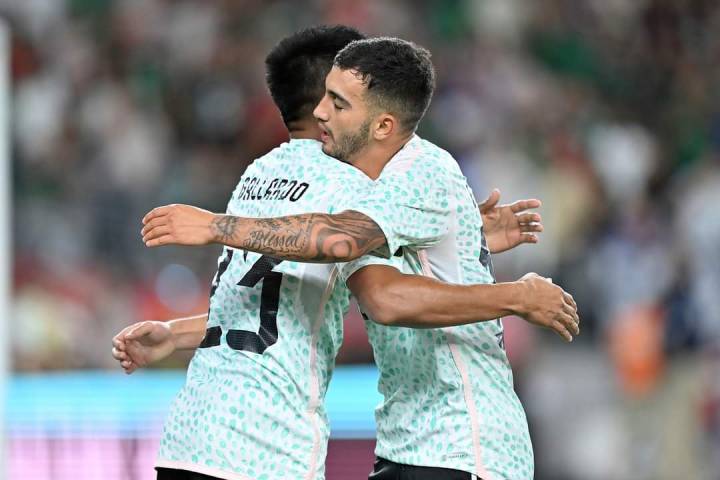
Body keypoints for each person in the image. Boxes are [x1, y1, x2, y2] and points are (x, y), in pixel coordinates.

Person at [138, 37, 579, 480]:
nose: (320, 112)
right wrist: (466, 233)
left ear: (383, 125)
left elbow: (373, 283)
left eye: (338, 103)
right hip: (409, 440)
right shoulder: (372, 190)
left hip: (465, 442)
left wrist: (217, 226)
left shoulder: (418, 173)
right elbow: (290, 301)